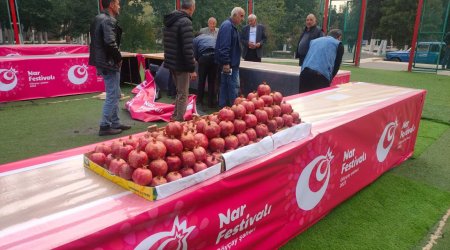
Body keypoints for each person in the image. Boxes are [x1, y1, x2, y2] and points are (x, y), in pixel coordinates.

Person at [89, 0, 131, 136]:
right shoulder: (108, 20)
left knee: (115, 93)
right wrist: (118, 59)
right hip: (109, 62)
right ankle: (105, 125)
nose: (119, 7)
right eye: (118, 4)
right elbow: (110, 42)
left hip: (101, 61)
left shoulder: (98, 18)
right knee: (112, 95)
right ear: (112, 5)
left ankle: (115, 122)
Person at [163, 0, 197, 122]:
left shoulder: (171, 19)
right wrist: (192, 68)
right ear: (192, 7)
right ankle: (178, 121)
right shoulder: (185, 21)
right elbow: (188, 48)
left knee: (179, 92)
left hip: (171, 62)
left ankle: (175, 116)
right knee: (183, 94)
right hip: (181, 64)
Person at [215, 7, 245, 108]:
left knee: (225, 86)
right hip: (230, 65)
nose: (242, 19)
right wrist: (226, 63)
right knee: (232, 87)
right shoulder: (228, 26)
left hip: (231, 63)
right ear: (235, 15)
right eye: (241, 16)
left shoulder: (230, 26)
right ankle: (233, 110)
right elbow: (224, 46)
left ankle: (224, 109)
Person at [299, 29, 344, 93]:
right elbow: (336, 65)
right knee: (319, 100)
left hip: (305, 72)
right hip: (321, 76)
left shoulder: (314, 41)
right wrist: (329, 79)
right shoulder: (338, 44)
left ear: (327, 35)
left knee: (302, 99)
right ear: (339, 37)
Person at [193, 33, 218, 109]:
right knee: (212, 81)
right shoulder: (212, 36)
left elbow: (195, 54)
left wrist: (198, 60)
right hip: (214, 57)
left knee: (202, 81)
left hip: (204, 57)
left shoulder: (195, 39)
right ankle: (211, 103)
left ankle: (199, 102)